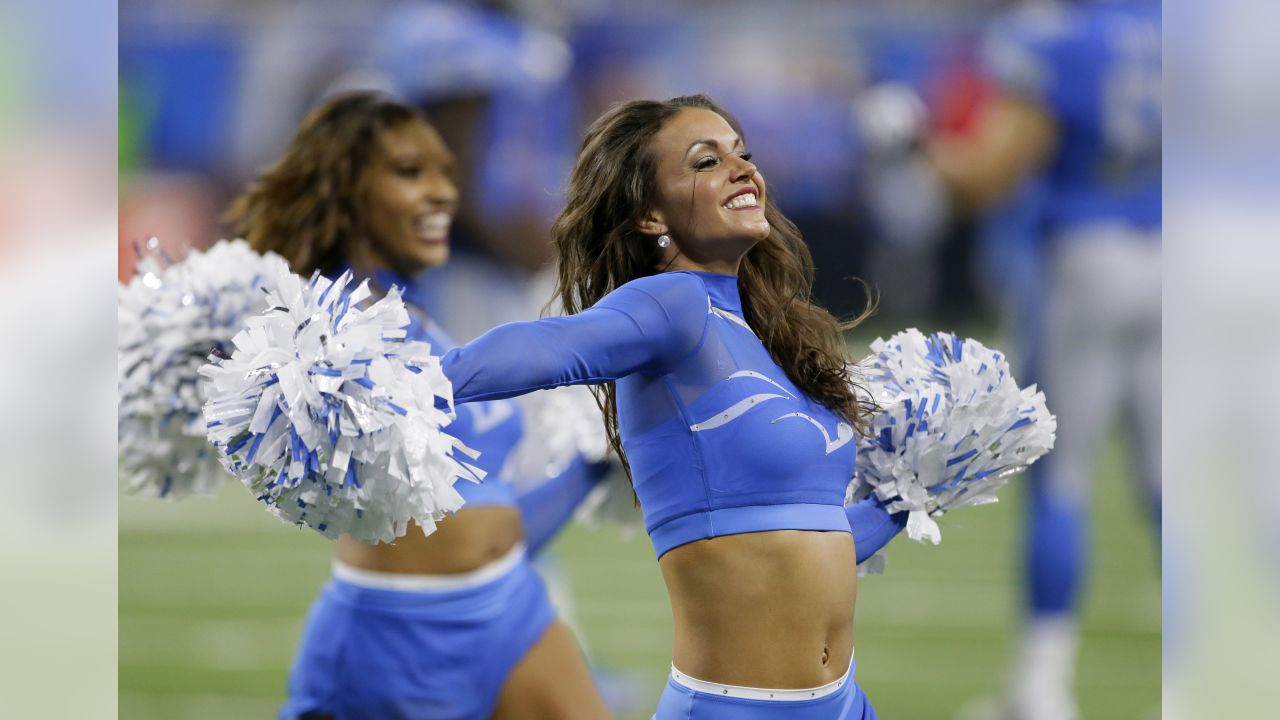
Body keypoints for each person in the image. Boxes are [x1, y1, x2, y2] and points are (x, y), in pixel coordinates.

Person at [433, 94, 909, 719]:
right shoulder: (670, 306)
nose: (743, 169)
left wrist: (905, 499)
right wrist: (419, 381)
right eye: (707, 161)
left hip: (844, 704)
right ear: (651, 216)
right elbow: (554, 346)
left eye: (744, 154)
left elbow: (802, 542)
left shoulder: (766, 336)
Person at [224, 91, 612, 720]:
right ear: (347, 190)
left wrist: (594, 461)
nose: (443, 194)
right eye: (411, 173)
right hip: (394, 639)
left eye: (447, 175)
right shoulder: (314, 332)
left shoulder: (422, 323)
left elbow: (487, 523)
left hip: (508, 608)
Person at [863, 2, 1161, 717]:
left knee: (1063, 480)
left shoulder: (1061, 39)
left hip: (1092, 258)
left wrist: (912, 145)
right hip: (1185, 257)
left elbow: (986, 176)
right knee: (1171, 485)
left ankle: (1041, 688)